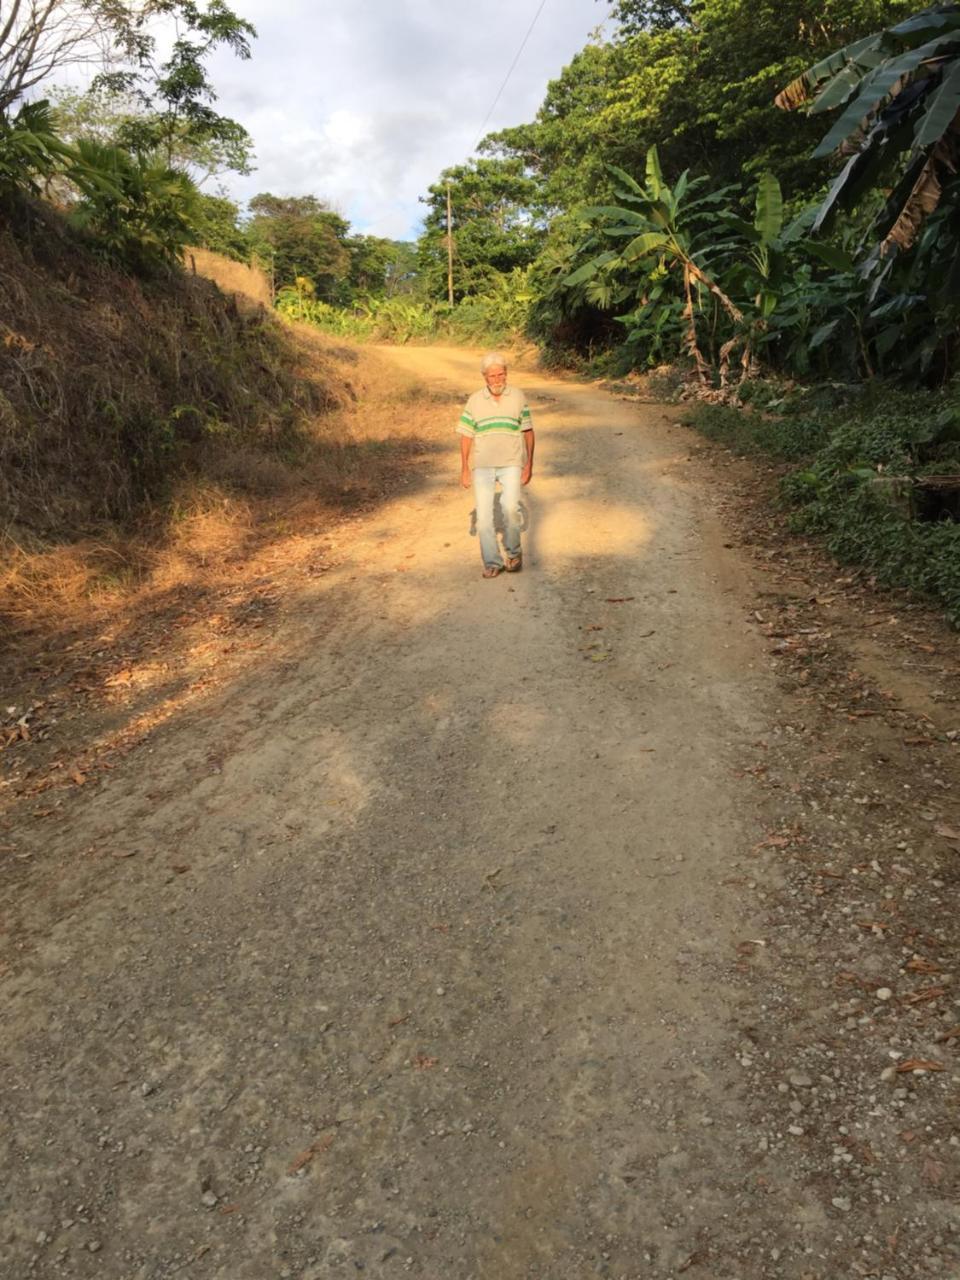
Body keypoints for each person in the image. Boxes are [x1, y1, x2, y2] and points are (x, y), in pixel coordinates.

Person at [456, 352, 535, 578]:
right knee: (483, 517)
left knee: (510, 509)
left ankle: (513, 554)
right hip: (483, 465)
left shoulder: (518, 397)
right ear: (485, 377)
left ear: (506, 374)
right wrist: (464, 468)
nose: (498, 379)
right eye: (493, 376)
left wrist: (529, 464)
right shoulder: (475, 400)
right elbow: (466, 436)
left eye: (502, 374)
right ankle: (492, 561)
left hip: (511, 463)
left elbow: (528, 431)